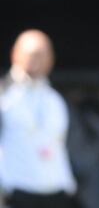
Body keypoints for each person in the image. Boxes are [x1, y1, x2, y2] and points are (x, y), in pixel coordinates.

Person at [0, 30, 77, 208]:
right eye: (32, 54)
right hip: (16, 193)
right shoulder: (4, 95)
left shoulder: (56, 99)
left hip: (57, 194)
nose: (38, 59)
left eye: (44, 54)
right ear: (15, 54)